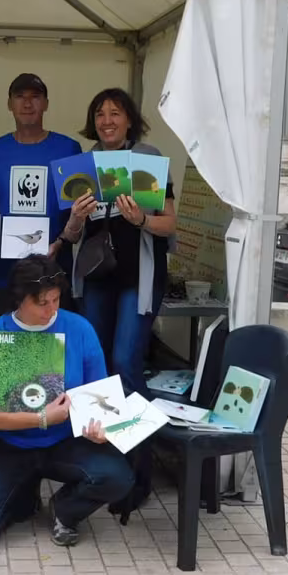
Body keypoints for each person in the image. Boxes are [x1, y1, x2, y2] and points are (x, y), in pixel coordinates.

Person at [0, 255, 134, 551]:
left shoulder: (80, 328)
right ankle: (23, 495)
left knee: (119, 477)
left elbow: (99, 395)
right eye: (42, 303)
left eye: (56, 299)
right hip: (12, 445)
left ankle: (65, 510)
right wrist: (42, 418)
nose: (51, 310)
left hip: (65, 441)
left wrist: (102, 431)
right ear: (19, 299)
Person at [63, 88, 177, 400]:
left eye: (115, 113)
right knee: (96, 362)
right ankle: (101, 438)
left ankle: (139, 444)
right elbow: (73, 235)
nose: (106, 120)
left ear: (129, 120)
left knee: (125, 361)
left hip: (139, 276)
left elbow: (169, 223)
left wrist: (142, 220)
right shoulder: (83, 166)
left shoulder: (147, 158)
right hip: (96, 274)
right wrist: (75, 217)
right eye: (100, 114)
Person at [0, 73, 82, 315]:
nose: (27, 104)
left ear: (46, 103)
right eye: (20, 97)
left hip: (53, 270)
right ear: (9, 104)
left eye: (35, 97)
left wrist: (61, 242)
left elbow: (78, 213)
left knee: (52, 348)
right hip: (4, 273)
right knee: (5, 346)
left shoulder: (68, 148)